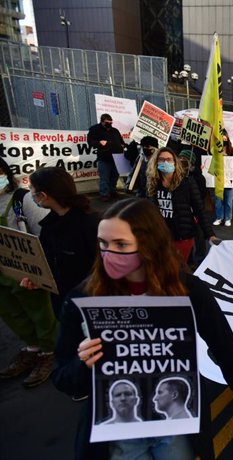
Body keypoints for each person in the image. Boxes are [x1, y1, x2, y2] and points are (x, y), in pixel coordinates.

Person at [52, 198, 233, 460]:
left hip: (175, 426)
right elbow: (63, 378)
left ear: (149, 245)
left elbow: (221, 340)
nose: (108, 253)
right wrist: (83, 364)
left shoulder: (189, 291)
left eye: (121, 244)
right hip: (118, 431)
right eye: (103, 243)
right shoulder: (83, 299)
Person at [0, 158, 55, 388]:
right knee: (12, 313)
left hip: (25, 269)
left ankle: (49, 352)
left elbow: (47, 232)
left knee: (40, 313)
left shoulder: (20, 199)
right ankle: (32, 348)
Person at [27, 167, 100, 316]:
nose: (31, 196)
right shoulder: (50, 225)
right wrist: (38, 280)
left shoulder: (91, 224)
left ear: (43, 195)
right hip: (63, 303)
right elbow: (47, 260)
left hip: (91, 305)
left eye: (32, 191)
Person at [146, 147, 216, 263]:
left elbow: (199, 210)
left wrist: (210, 235)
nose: (166, 162)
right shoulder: (152, 183)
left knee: (179, 268)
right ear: (156, 162)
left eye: (169, 159)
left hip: (182, 235)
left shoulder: (187, 182)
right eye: (162, 159)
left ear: (175, 162)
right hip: (161, 236)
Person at [87, 113, 125, 201]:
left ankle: (112, 191)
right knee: (104, 177)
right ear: (102, 122)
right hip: (104, 157)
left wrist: (122, 145)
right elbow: (90, 142)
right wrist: (99, 143)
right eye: (108, 123)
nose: (110, 124)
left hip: (117, 157)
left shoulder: (115, 130)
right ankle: (104, 194)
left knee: (115, 176)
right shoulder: (94, 129)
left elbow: (121, 141)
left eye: (111, 122)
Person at [212, 133, 233, 227]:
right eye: (221, 136)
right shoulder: (214, 151)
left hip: (231, 180)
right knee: (218, 200)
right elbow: (210, 164)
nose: (223, 138)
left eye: (225, 136)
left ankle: (228, 218)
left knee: (228, 201)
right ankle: (219, 217)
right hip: (219, 180)